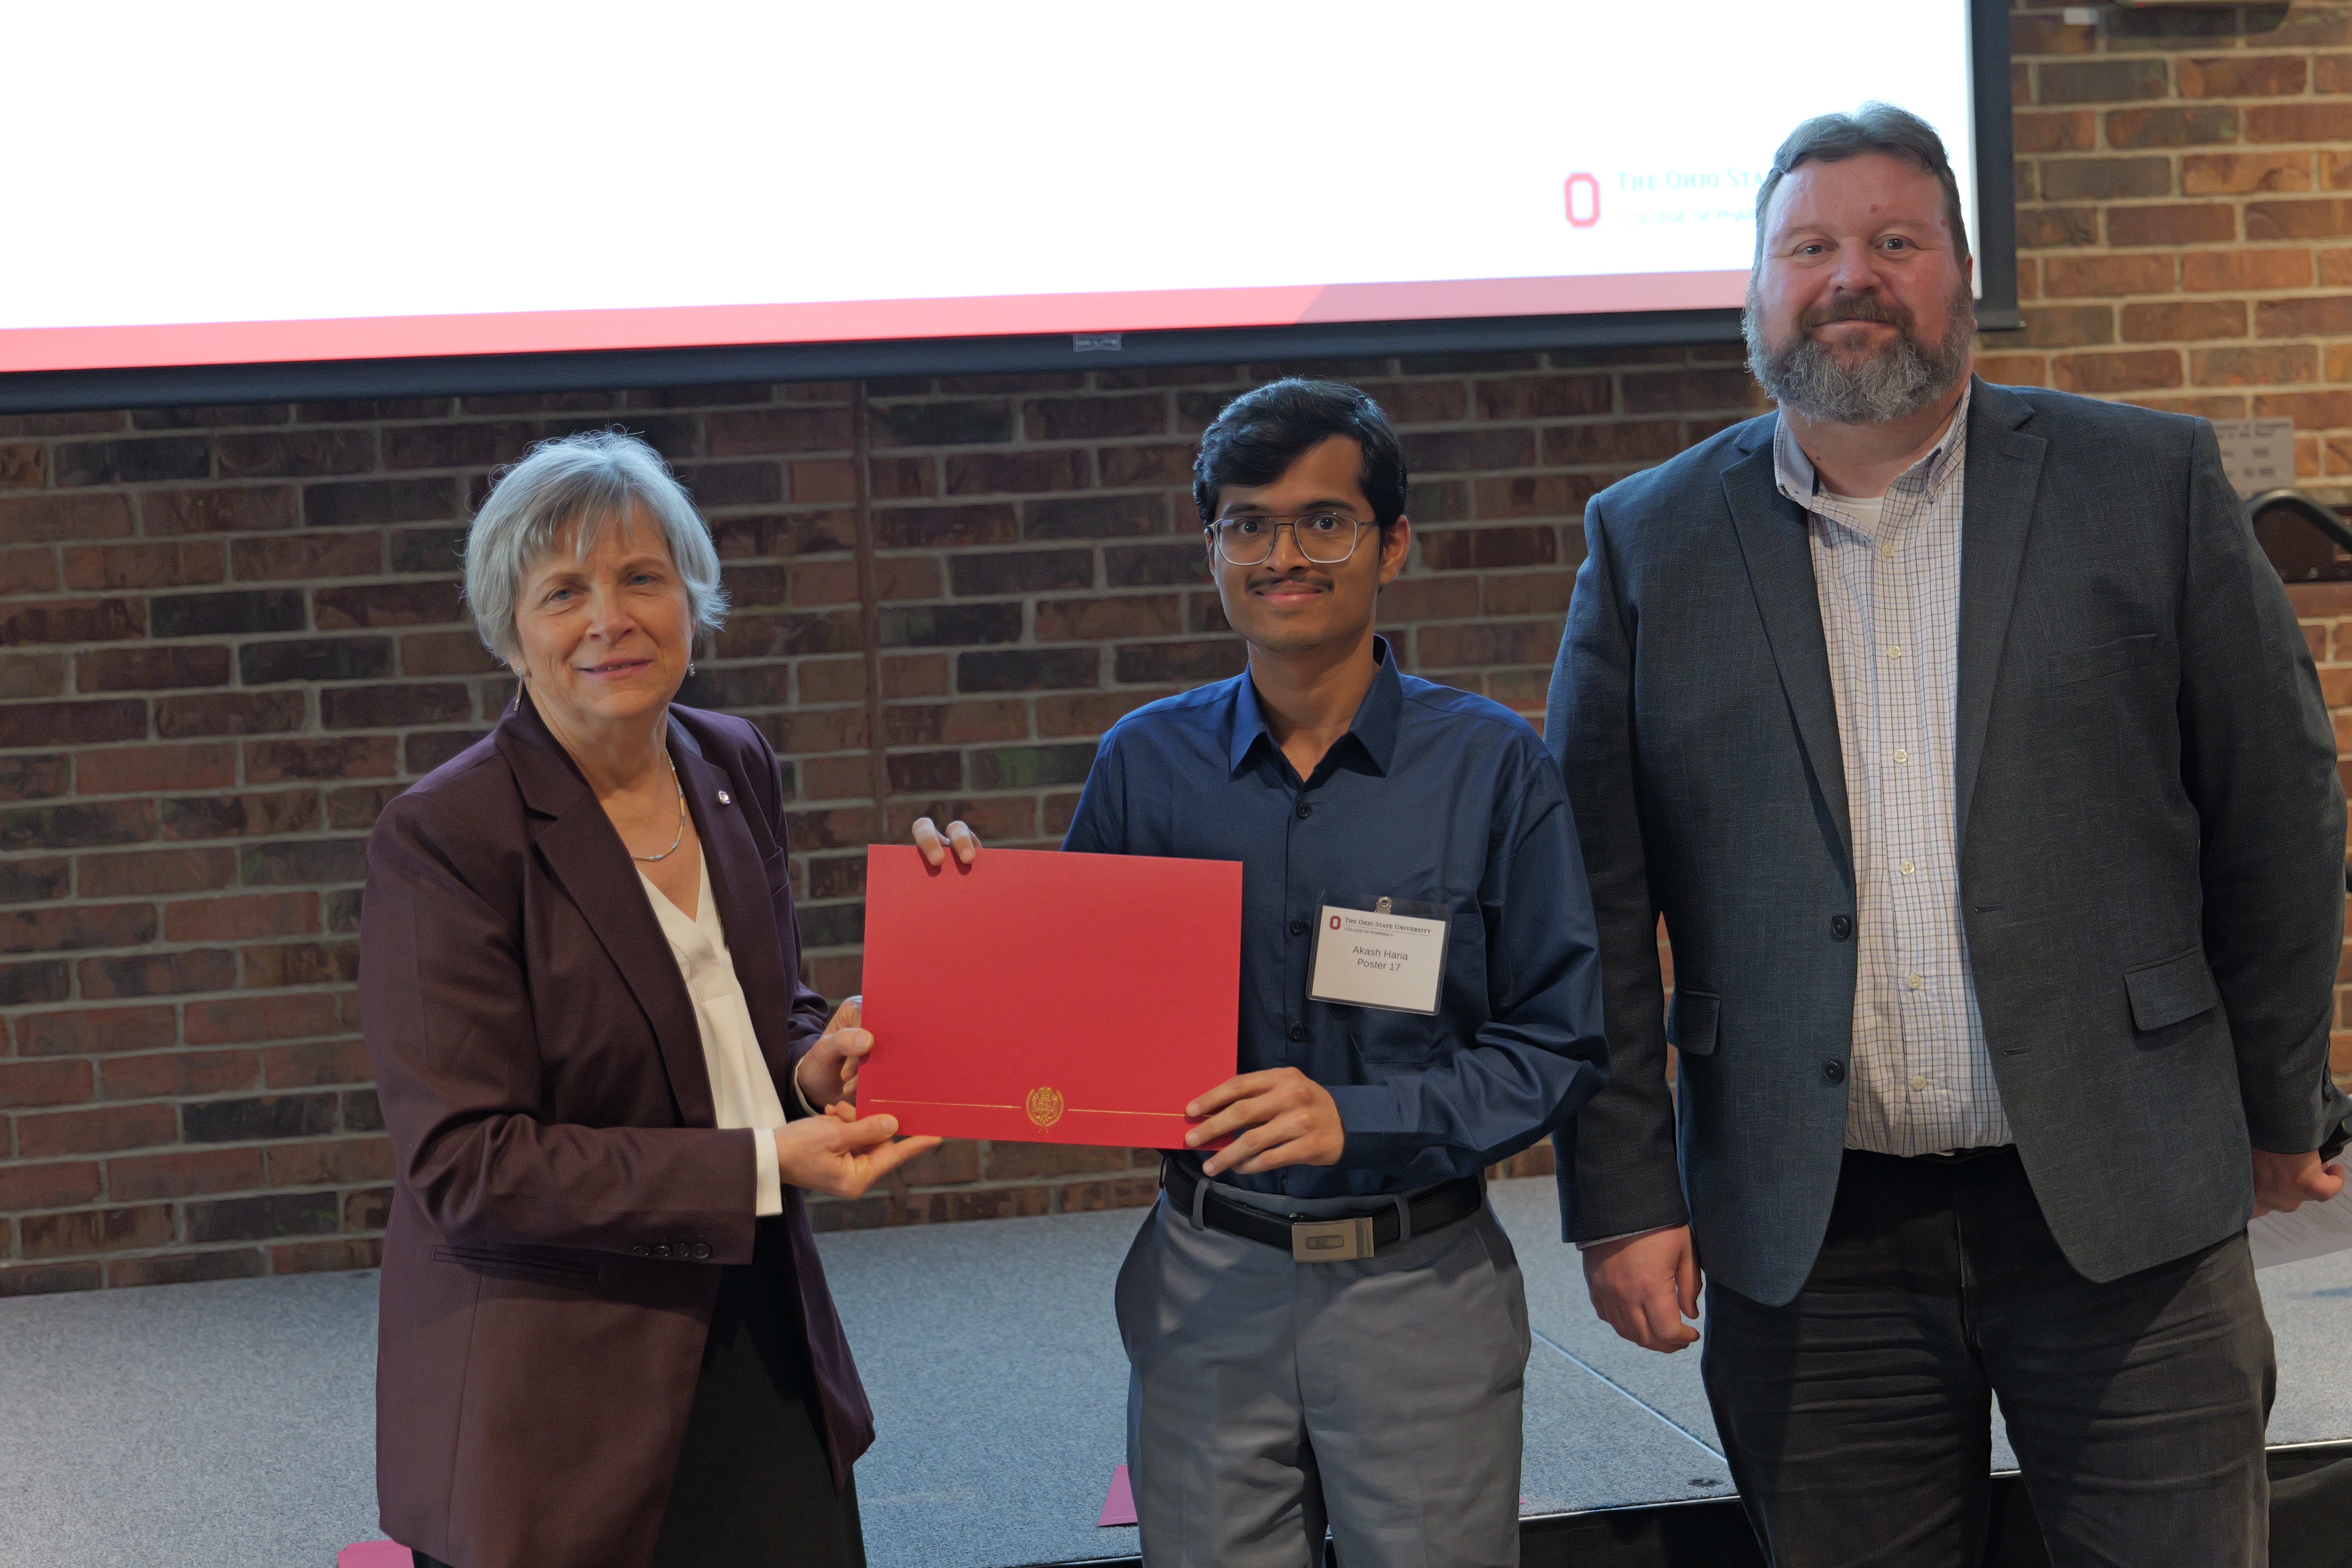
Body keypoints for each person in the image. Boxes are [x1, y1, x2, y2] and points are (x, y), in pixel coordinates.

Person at [1548, 102, 2351, 1566]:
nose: (1850, 276)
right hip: (1810, 1233)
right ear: (1756, 289)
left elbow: (2279, 816)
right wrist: (1621, 1193)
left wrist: (2277, 1104)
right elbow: (1592, 902)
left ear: (1961, 278)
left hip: (2128, 1206)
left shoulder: (2147, 484)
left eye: (1894, 242)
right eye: (1810, 246)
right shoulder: (1648, 540)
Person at [918, 378, 1608, 1568]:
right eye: (1247, 523)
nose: (1283, 554)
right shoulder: (1147, 763)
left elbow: (1557, 1046)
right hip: (1205, 1286)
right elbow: (1066, 1034)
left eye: (1322, 521)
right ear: (1213, 549)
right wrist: (966, 927)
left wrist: (1356, 1117)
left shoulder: (1494, 767)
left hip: (1419, 1290)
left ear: (1393, 542)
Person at [360, 430, 938, 1568]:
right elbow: (469, 1166)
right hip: (558, 1401)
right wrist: (770, 1162)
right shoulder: (447, 835)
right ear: (509, 630)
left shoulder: (731, 762)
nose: (609, 619)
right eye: (563, 590)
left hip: (767, 1341)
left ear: (692, 597)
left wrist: (814, 1062)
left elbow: (755, 1014)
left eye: (641, 578)